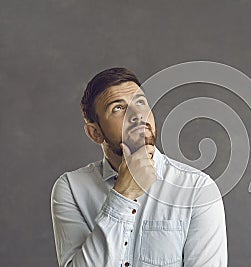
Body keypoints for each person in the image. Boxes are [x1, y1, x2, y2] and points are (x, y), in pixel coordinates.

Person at [50, 67, 228, 267]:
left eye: (140, 102)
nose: (136, 115)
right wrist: (124, 196)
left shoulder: (197, 189)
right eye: (117, 108)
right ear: (95, 133)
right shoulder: (71, 188)